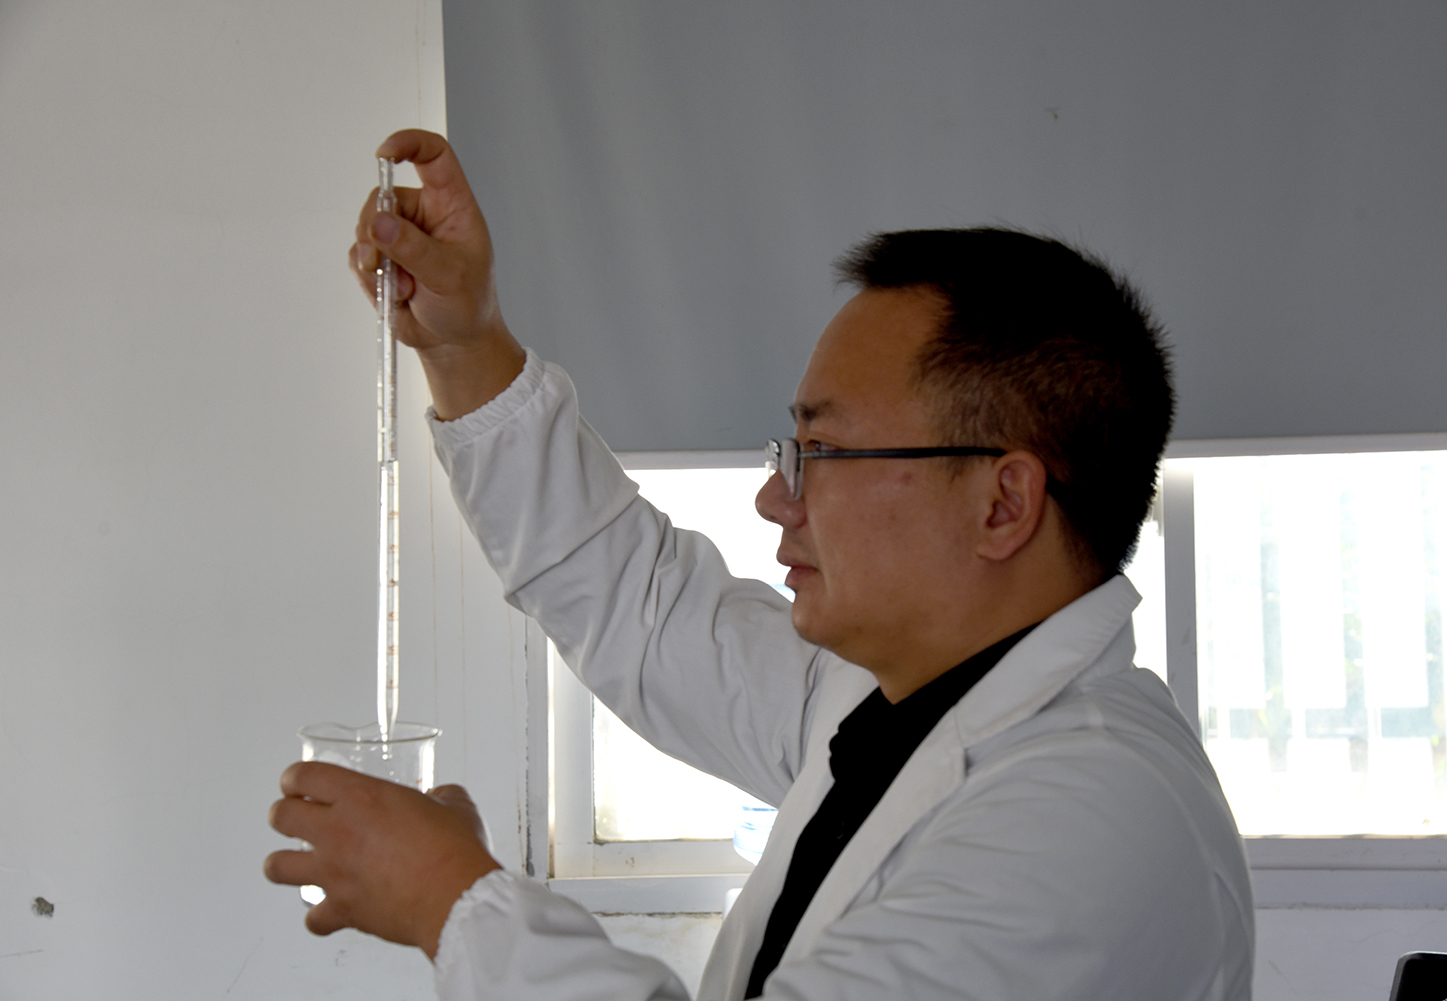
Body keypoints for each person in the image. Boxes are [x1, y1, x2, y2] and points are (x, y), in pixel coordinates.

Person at [265, 129, 1254, 1000]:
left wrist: (453, 901)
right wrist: (464, 343)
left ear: (1002, 503)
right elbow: (639, 604)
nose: (778, 497)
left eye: (822, 451)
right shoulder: (887, 700)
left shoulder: (1094, 816)